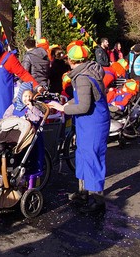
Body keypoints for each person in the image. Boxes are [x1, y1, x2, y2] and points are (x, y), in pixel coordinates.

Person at [47, 40, 110, 213]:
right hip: (89, 121)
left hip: (93, 122)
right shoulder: (89, 70)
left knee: (92, 157)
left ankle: (98, 200)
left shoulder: (82, 77)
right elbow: (83, 99)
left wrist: (63, 108)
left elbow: (84, 106)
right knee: (82, 155)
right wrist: (66, 102)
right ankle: (83, 193)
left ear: (71, 60)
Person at [0, 35, 44, 122]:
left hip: (4, 101)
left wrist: (36, 86)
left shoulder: (8, 58)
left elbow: (23, 74)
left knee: (5, 124)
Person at [3, 82, 45, 173]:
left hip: (28, 135)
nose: (27, 99)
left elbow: (38, 118)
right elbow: (5, 117)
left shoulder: (32, 108)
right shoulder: (14, 106)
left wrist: (32, 109)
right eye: (25, 96)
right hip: (14, 133)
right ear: (20, 95)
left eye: (29, 96)